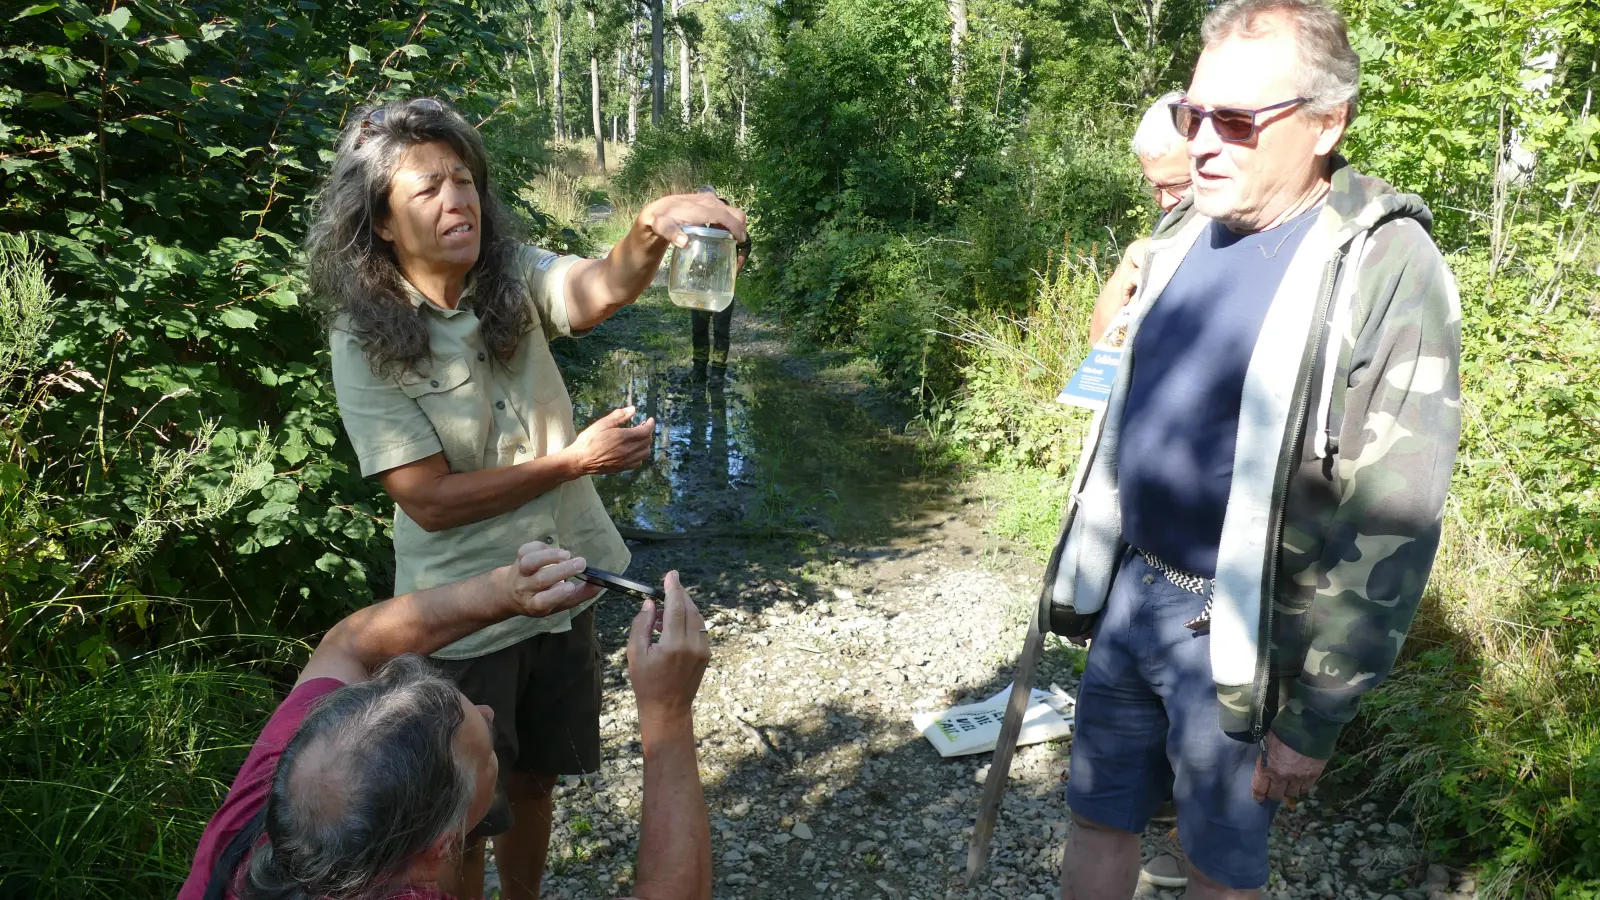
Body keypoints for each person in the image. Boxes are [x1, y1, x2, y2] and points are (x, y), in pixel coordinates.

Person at [1039, 2, 1462, 898]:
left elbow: (1395, 511)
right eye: (1192, 114)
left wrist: (1316, 715)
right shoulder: (1185, 228)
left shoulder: (1384, 263)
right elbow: (1119, 380)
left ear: (1327, 122)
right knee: (1097, 816)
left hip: (1244, 636)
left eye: (1234, 121)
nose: (1200, 143)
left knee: (1217, 866)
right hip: (1132, 592)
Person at [304, 98, 746, 900]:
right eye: (428, 189)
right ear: (381, 222)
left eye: (464, 180)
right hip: (463, 612)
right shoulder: (362, 336)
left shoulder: (506, 273)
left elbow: (593, 290)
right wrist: (574, 462)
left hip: (568, 580)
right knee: (461, 814)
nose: (457, 201)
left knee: (537, 778)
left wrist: (649, 229)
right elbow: (429, 500)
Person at [177, 543, 713, 900]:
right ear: (440, 849)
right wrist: (667, 715)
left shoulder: (277, 784)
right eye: (486, 751)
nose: (487, 712)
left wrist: (504, 591)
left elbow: (347, 644)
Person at [1088, 91, 1193, 346]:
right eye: (1154, 187)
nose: (1164, 201)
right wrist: (1129, 261)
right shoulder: (1172, 217)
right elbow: (1098, 343)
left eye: (1179, 185)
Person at [688, 185, 743, 385]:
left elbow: (746, 244)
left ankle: (718, 371)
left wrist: (735, 270)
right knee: (698, 328)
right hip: (699, 286)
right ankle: (699, 368)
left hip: (722, 286)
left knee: (721, 329)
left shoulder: (728, 220)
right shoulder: (694, 221)